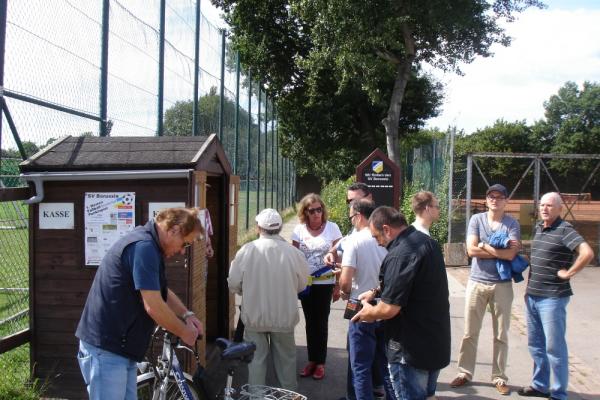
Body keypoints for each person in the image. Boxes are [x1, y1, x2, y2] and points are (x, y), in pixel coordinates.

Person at [76, 207, 204, 400]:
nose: (180, 251)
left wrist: (186, 314)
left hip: (120, 349)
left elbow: (161, 291)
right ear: (174, 230)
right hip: (107, 349)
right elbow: (153, 305)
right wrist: (184, 332)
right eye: (184, 244)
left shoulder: (150, 246)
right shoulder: (144, 247)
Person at [352, 206, 450, 400]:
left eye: (376, 236)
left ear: (387, 229)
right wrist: (375, 292)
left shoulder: (400, 254)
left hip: (410, 349)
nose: (378, 243)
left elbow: (389, 309)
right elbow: (412, 282)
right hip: (434, 343)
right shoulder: (427, 243)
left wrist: (366, 313)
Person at [518, 192, 594, 400]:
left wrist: (569, 273)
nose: (545, 208)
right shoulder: (540, 228)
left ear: (560, 208)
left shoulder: (565, 230)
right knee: (536, 345)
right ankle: (540, 385)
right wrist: (528, 290)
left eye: (550, 205)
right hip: (533, 296)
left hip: (552, 298)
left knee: (554, 347)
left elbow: (587, 253)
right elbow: (537, 262)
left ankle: (559, 392)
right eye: (542, 205)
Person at [227, 208, 309, 391]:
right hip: (284, 318)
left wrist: (246, 291)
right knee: (286, 365)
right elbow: (303, 284)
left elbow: (233, 282)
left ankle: (257, 397)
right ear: (279, 228)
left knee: (256, 364)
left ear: (258, 227)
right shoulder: (293, 253)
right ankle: (288, 396)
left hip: (254, 317)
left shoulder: (246, 251)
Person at [450, 184, 521, 395]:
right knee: (469, 332)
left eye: (500, 197)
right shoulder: (476, 220)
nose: (495, 200)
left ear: (506, 200)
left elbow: (511, 255)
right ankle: (464, 372)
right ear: (487, 199)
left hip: (502, 284)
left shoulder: (512, 223)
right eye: (491, 196)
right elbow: (471, 250)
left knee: (501, 334)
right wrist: (496, 249)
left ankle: (499, 377)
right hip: (477, 282)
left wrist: (485, 246)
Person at [339, 199, 396, 400]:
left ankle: (355, 397)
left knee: (359, 363)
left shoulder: (354, 241)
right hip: (385, 303)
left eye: (351, 217)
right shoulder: (388, 238)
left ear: (359, 216)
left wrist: (345, 292)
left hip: (358, 303)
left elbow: (345, 281)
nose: (351, 221)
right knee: (385, 361)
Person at [292, 193, 342, 380]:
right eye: (312, 210)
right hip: (306, 284)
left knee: (321, 323)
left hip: (325, 283)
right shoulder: (298, 230)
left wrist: (338, 285)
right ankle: (311, 360)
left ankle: (320, 363)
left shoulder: (333, 228)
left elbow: (340, 257)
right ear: (305, 212)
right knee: (309, 322)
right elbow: (294, 257)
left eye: (319, 209)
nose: (316, 214)